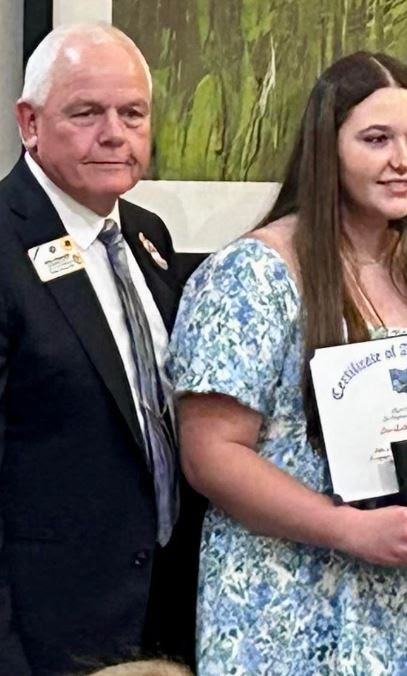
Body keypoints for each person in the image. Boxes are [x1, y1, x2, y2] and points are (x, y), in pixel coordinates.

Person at [168, 51, 407, 674]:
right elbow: (210, 455)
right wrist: (349, 530)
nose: (404, 161)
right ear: (325, 149)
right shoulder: (252, 275)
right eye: (376, 140)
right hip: (291, 591)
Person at [0, 24, 201, 673]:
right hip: (46, 631)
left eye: (132, 113)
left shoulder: (148, 237)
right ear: (29, 123)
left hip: (162, 610)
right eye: (87, 113)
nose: (114, 133)